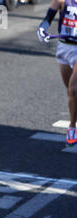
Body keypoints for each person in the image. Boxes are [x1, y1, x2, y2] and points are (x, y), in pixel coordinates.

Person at [37, 0, 77, 146]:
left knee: (73, 90)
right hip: (64, 48)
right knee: (70, 92)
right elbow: (47, 19)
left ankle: (72, 126)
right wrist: (41, 29)